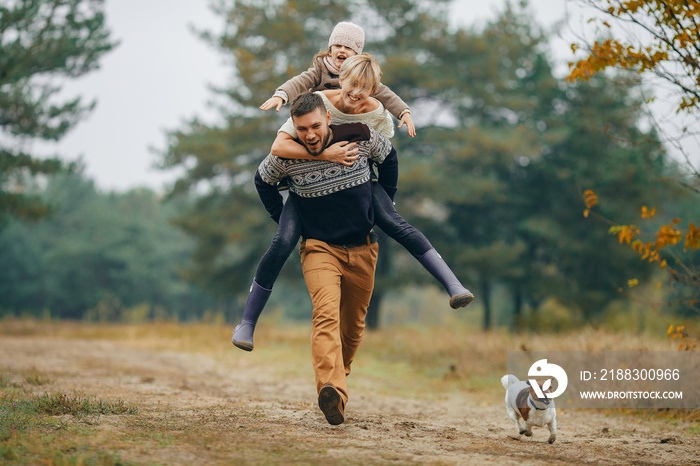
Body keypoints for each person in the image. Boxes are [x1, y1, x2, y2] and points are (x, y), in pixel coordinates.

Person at [232, 54, 474, 352]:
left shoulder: (373, 117)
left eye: (365, 88)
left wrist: (386, 196)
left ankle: (453, 286)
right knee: (282, 241)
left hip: (361, 183)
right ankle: (247, 323)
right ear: (340, 79)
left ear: (374, 89)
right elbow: (274, 155)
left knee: (396, 224)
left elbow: (387, 156)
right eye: (352, 84)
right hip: (304, 190)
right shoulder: (316, 103)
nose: (357, 93)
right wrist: (281, 213)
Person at [255, 91, 396, 425]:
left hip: (363, 247)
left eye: (315, 126)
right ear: (294, 127)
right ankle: (330, 388)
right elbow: (262, 181)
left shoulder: (358, 137)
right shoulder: (288, 155)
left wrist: (384, 204)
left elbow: (389, 158)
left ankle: (338, 380)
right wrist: (286, 220)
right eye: (302, 129)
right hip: (319, 249)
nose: (310, 134)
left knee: (353, 328)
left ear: (328, 119)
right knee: (325, 316)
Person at [260, 21, 416, 138]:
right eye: (338, 46)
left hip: (347, 118)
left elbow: (386, 95)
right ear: (330, 49)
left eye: (348, 48)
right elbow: (300, 82)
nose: (342, 50)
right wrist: (281, 95)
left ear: (357, 54)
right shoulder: (321, 69)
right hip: (321, 117)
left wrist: (404, 113)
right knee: (297, 133)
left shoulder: (362, 75)